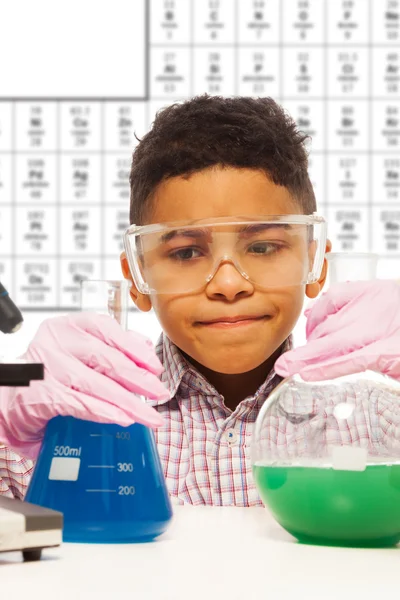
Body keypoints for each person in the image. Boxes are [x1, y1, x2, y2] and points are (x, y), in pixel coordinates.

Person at [1, 95, 400, 504]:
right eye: (187, 252)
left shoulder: (380, 416)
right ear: (136, 279)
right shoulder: (64, 420)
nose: (228, 284)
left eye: (263, 247)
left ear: (314, 262)